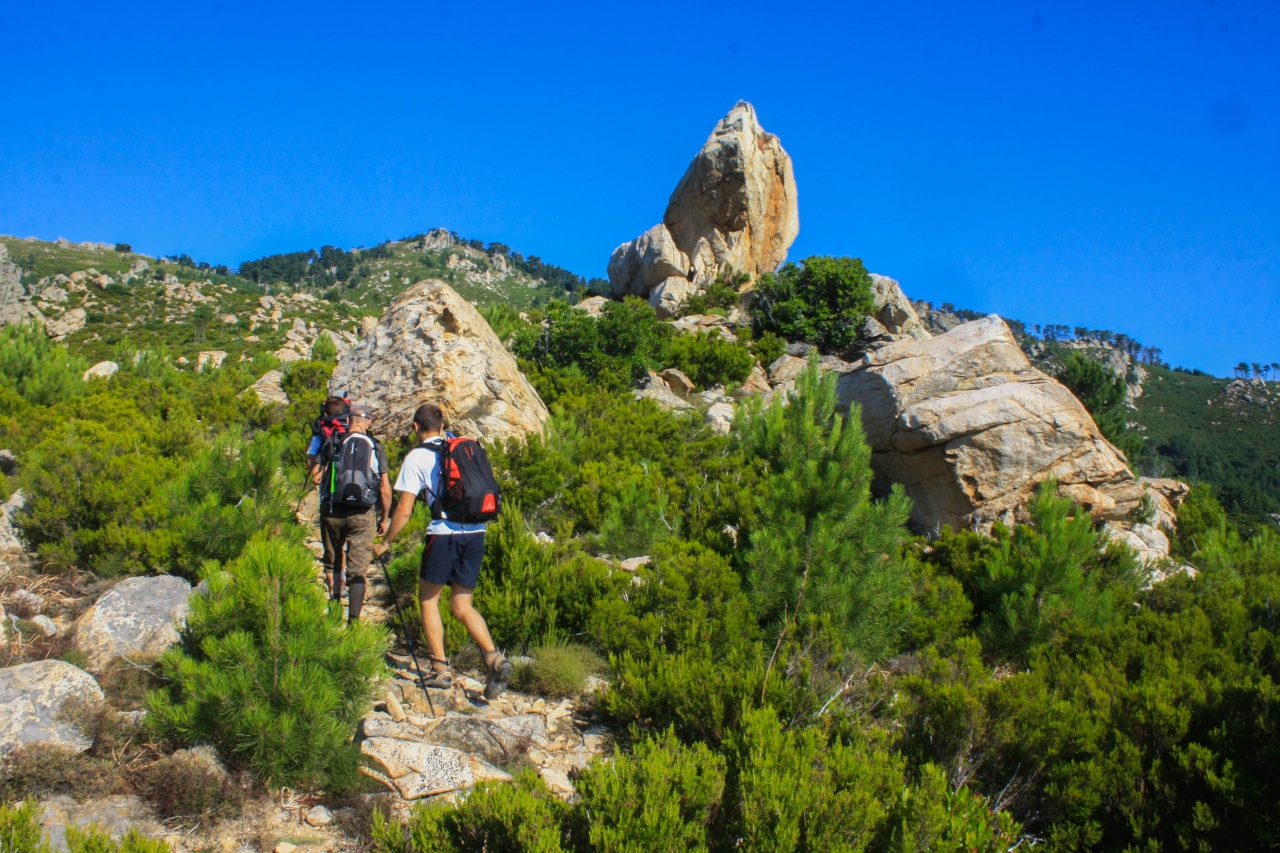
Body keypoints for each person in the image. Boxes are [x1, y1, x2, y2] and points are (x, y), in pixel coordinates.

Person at [374, 402, 513, 699]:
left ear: (416, 428)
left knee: (428, 600)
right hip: (476, 532)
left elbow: (405, 510)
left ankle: (440, 668)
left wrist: (385, 542)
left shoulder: (417, 457)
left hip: (443, 534)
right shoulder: (461, 447)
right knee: (462, 605)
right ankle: (493, 658)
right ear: (441, 425)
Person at [313, 402, 392, 623]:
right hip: (363, 513)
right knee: (357, 571)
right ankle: (353, 622)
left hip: (333, 510)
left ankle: (335, 609)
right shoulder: (375, 446)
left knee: (333, 562)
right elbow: (385, 489)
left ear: (348, 421)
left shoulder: (335, 441)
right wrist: (384, 518)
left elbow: (317, 477)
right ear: (369, 422)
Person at [309, 396, 351, 599]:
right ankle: (352, 580)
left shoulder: (322, 434)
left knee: (332, 548)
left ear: (325, 413)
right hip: (356, 500)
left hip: (330, 497)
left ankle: (336, 589)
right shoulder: (354, 431)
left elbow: (315, 476)